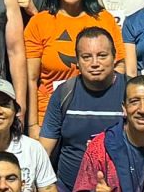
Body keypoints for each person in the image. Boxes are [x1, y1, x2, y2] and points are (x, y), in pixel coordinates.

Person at [23, 0, 117, 132]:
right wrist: (33, 125)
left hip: (98, 111)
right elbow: (31, 79)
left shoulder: (104, 19)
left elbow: (119, 68)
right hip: (51, 116)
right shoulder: (39, 22)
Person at [40, 25, 129, 162]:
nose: (95, 63)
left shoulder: (132, 91)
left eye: (102, 56)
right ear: (77, 61)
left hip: (121, 180)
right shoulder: (64, 93)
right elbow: (44, 150)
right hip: (70, 182)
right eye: (86, 57)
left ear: (115, 57)